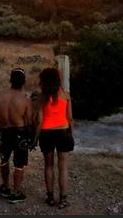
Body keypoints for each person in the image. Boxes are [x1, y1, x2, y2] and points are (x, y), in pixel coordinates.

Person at [0, 67, 35, 204]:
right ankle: (16, 192)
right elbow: (29, 122)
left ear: (10, 80)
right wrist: (32, 138)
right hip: (20, 133)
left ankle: (5, 186)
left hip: (5, 131)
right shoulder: (25, 100)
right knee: (19, 163)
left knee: (4, 159)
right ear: (24, 82)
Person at [33, 67, 74, 209]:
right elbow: (70, 118)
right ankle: (63, 199)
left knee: (48, 166)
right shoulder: (66, 95)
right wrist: (71, 135)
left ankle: (50, 197)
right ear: (58, 79)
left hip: (46, 133)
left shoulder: (41, 97)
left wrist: (35, 138)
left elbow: (39, 120)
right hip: (63, 132)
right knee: (63, 168)